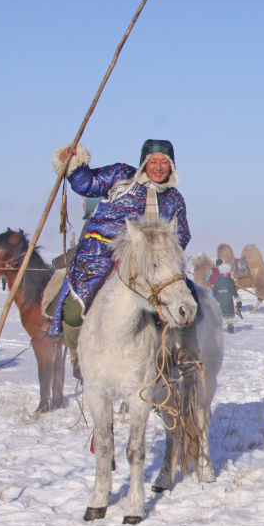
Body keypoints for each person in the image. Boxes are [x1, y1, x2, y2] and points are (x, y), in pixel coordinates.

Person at [49, 139, 195, 381]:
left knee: (187, 301)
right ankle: (79, 355)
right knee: (74, 310)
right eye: (153, 161)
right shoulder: (121, 177)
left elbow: (183, 234)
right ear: (143, 163)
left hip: (150, 265)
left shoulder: (174, 199)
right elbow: (87, 184)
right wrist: (73, 164)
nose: (158, 167)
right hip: (102, 253)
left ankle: (183, 354)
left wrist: (165, 254)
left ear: (172, 166)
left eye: (164, 162)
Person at [212, 263, 240, 333]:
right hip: (228, 303)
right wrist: (238, 301)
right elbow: (234, 292)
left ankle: (217, 331)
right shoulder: (230, 281)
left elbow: (214, 293)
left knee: (219, 317)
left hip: (219, 302)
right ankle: (231, 330)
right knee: (230, 318)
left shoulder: (217, 281)